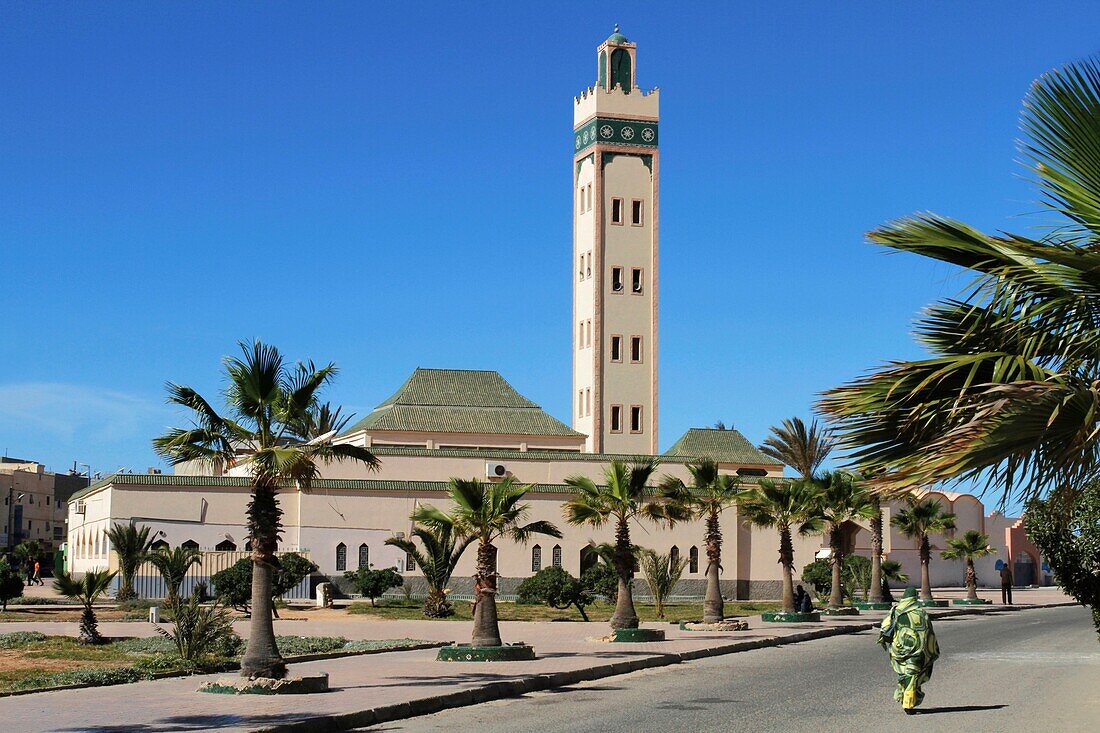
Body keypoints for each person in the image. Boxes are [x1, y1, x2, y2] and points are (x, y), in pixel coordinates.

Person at [878, 586, 939, 714]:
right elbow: (928, 632)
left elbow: (885, 626)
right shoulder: (920, 613)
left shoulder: (895, 610)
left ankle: (904, 697)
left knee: (904, 674)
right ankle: (908, 704)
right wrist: (931, 648)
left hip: (898, 650)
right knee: (913, 675)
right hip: (916, 650)